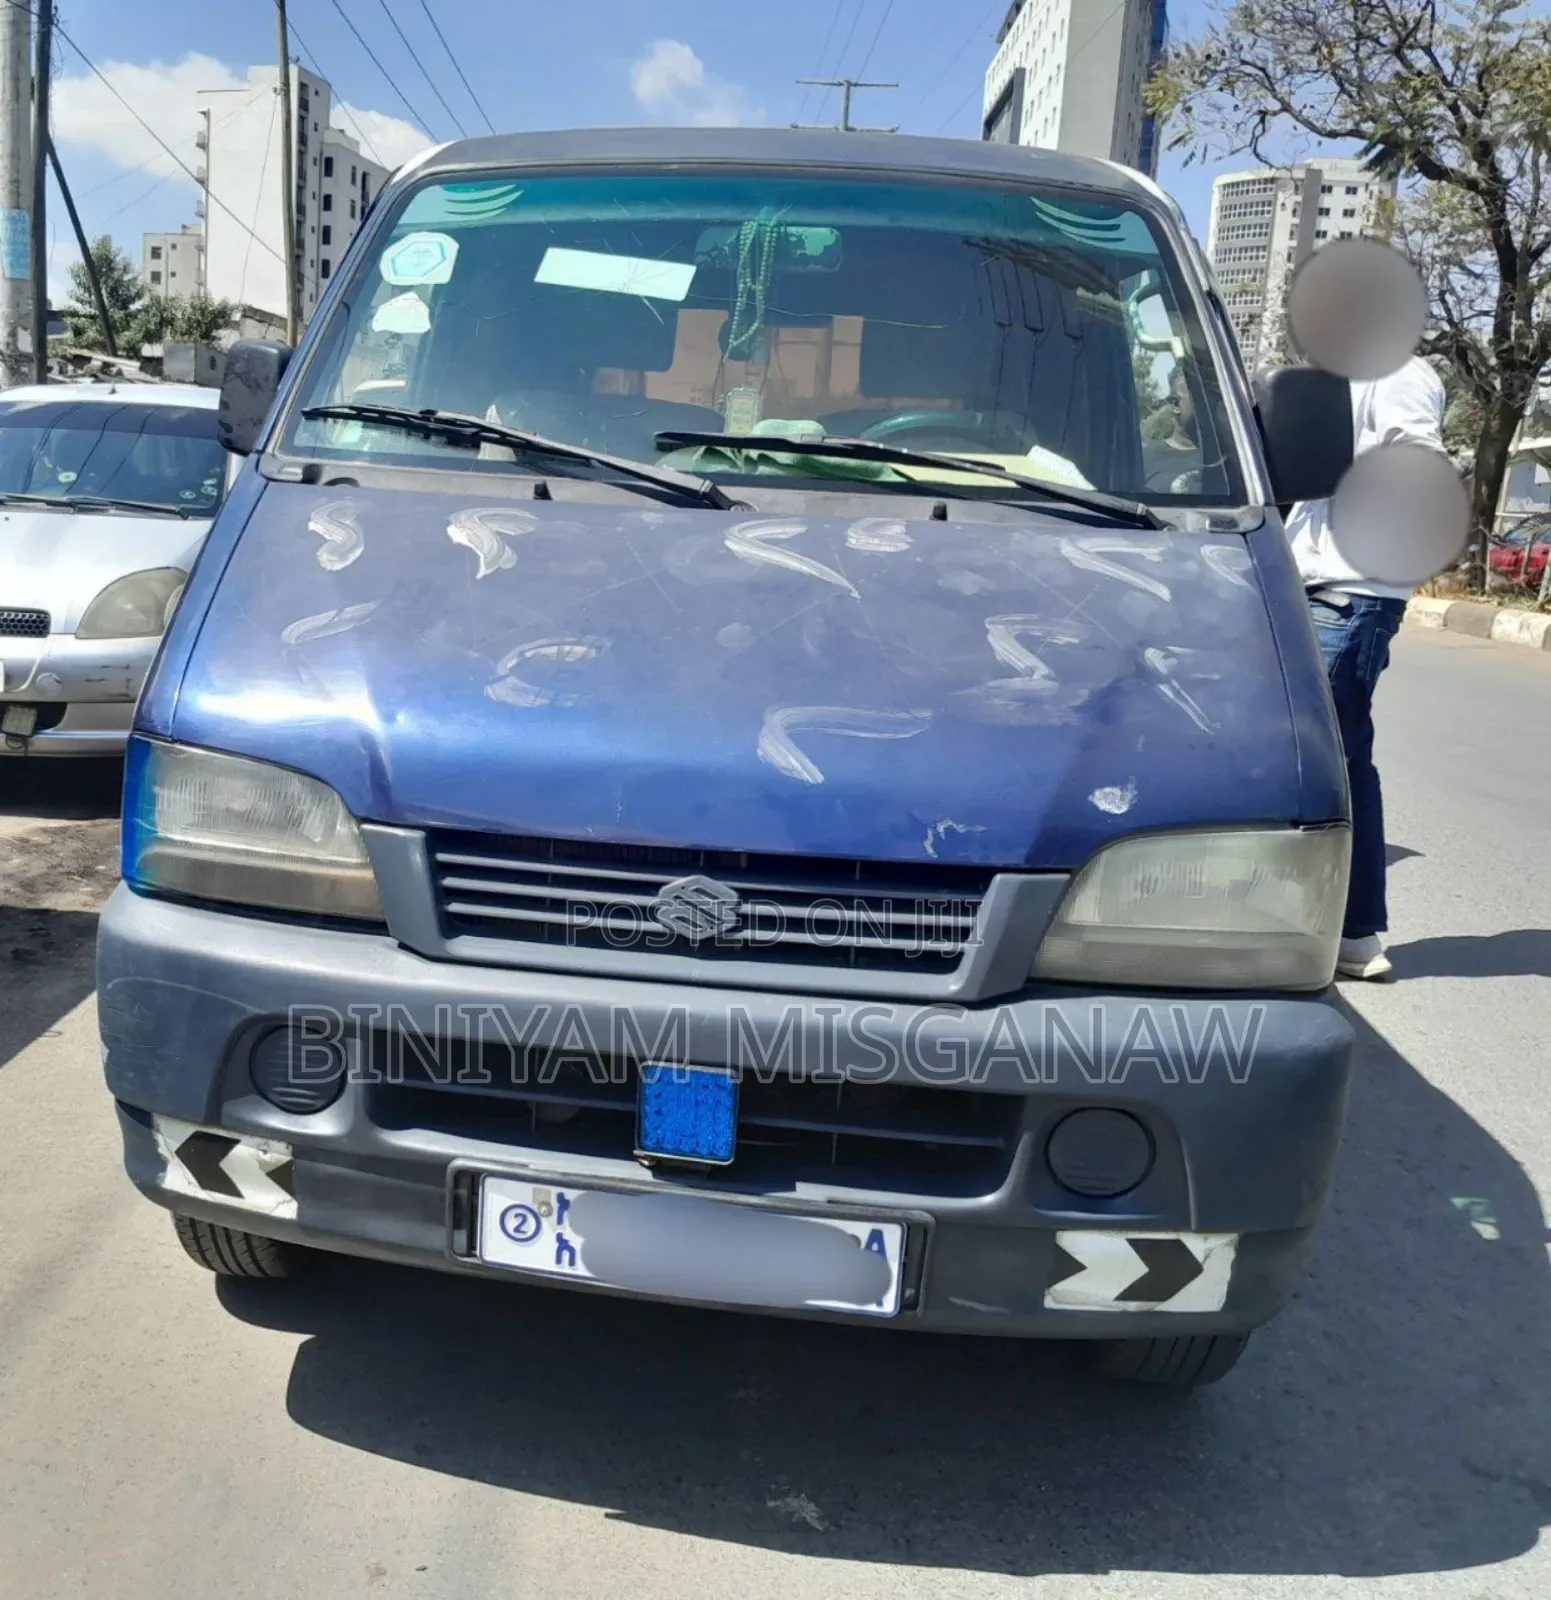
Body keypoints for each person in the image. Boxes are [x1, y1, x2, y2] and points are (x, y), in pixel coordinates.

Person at [1285, 354, 1447, 981]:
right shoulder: (1339, 383)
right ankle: (1330, 923)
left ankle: (1353, 931)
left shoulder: (1399, 375)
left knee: (1335, 755)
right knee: (1322, 752)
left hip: (1353, 589)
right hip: (1317, 582)